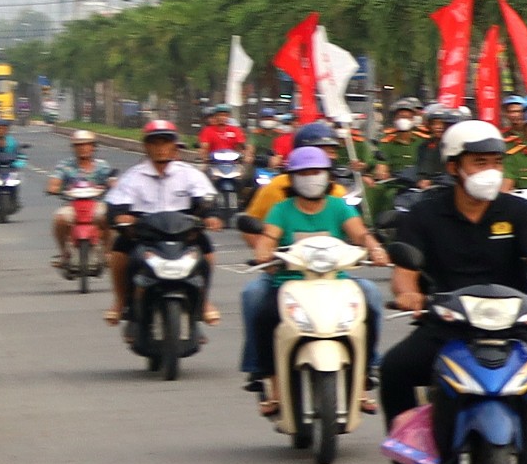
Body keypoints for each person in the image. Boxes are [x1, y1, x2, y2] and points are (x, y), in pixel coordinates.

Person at [380, 120, 527, 464]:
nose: (489, 171)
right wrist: (408, 295)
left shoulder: (518, 211)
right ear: (454, 167)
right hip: (446, 325)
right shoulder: (425, 214)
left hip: (509, 327)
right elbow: (403, 275)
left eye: (495, 162)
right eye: (479, 162)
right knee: (394, 370)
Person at [239, 147, 388, 416]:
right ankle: (271, 384)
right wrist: (263, 250)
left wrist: (375, 248)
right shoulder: (281, 210)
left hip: (336, 281)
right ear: (292, 178)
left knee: (372, 299)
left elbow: (360, 234)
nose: (311, 178)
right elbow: (269, 237)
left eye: (316, 172)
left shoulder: (338, 206)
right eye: (303, 173)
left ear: (327, 176)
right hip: (288, 283)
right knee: (263, 314)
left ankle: (365, 375)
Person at [102, 119, 225, 330]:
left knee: (207, 254)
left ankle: (204, 301)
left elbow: (206, 198)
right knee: (119, 253)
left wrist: (211, 215)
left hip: (182, 233)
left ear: (174, 146)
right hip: (143, 234)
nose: (160, 148)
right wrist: (120, 217)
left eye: (166, 142)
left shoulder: (190, 174)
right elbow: (115, 204)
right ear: (146, 146)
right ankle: (120, 301)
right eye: (155, 143)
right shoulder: (133, 176)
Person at [48, 129, 120, 269]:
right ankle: (64, 253)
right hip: (72, 206)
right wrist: (54, 188)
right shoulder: (65, 166)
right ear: (74, 148)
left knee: (108, 219)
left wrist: (113, 184)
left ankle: (106, 252)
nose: (83, 148)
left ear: (93, 147)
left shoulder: (102, 166)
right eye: (79, 145)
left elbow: (112, 180)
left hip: (96, 205)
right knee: (59, 220)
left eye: (87, 145)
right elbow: (55, 182)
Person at [366, 97, 427, 212]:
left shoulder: (422, 141)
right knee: (378, 192)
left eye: (408, 117)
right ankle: (372, 225)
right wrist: (381, 170)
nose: (404, 120)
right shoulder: (386, 142)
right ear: (395, 119)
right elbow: (381, 162)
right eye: (401, 117)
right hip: (395, 185)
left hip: (420, 184)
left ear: (413, 120)